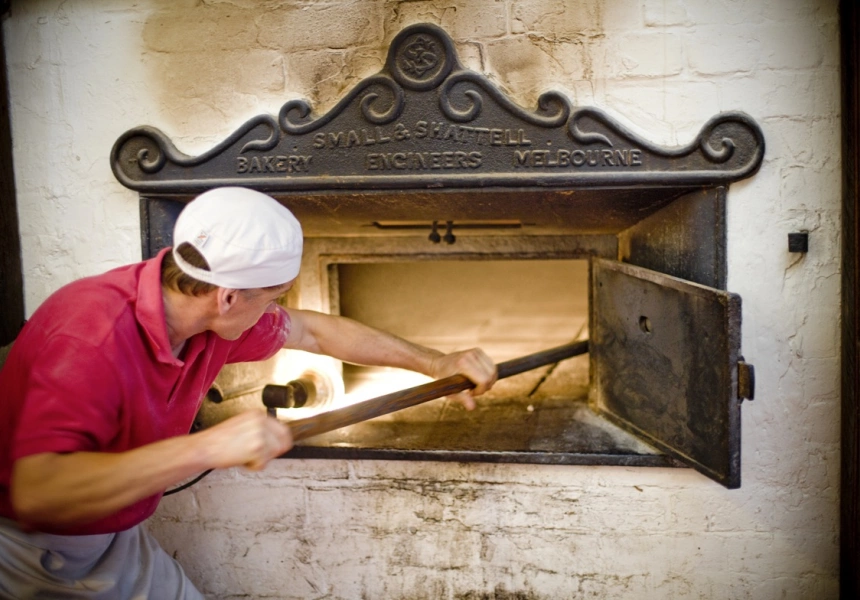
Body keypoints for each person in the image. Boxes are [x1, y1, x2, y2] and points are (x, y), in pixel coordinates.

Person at [0, 186, 497, 599]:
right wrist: (205, 447)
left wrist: (436, 363)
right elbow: (39, 488)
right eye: (272, 298)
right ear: (229, 295)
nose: (275, 312)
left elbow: (314, 332)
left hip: (113, 540)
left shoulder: (208, 317)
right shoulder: (91, 337)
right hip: (31, 552)